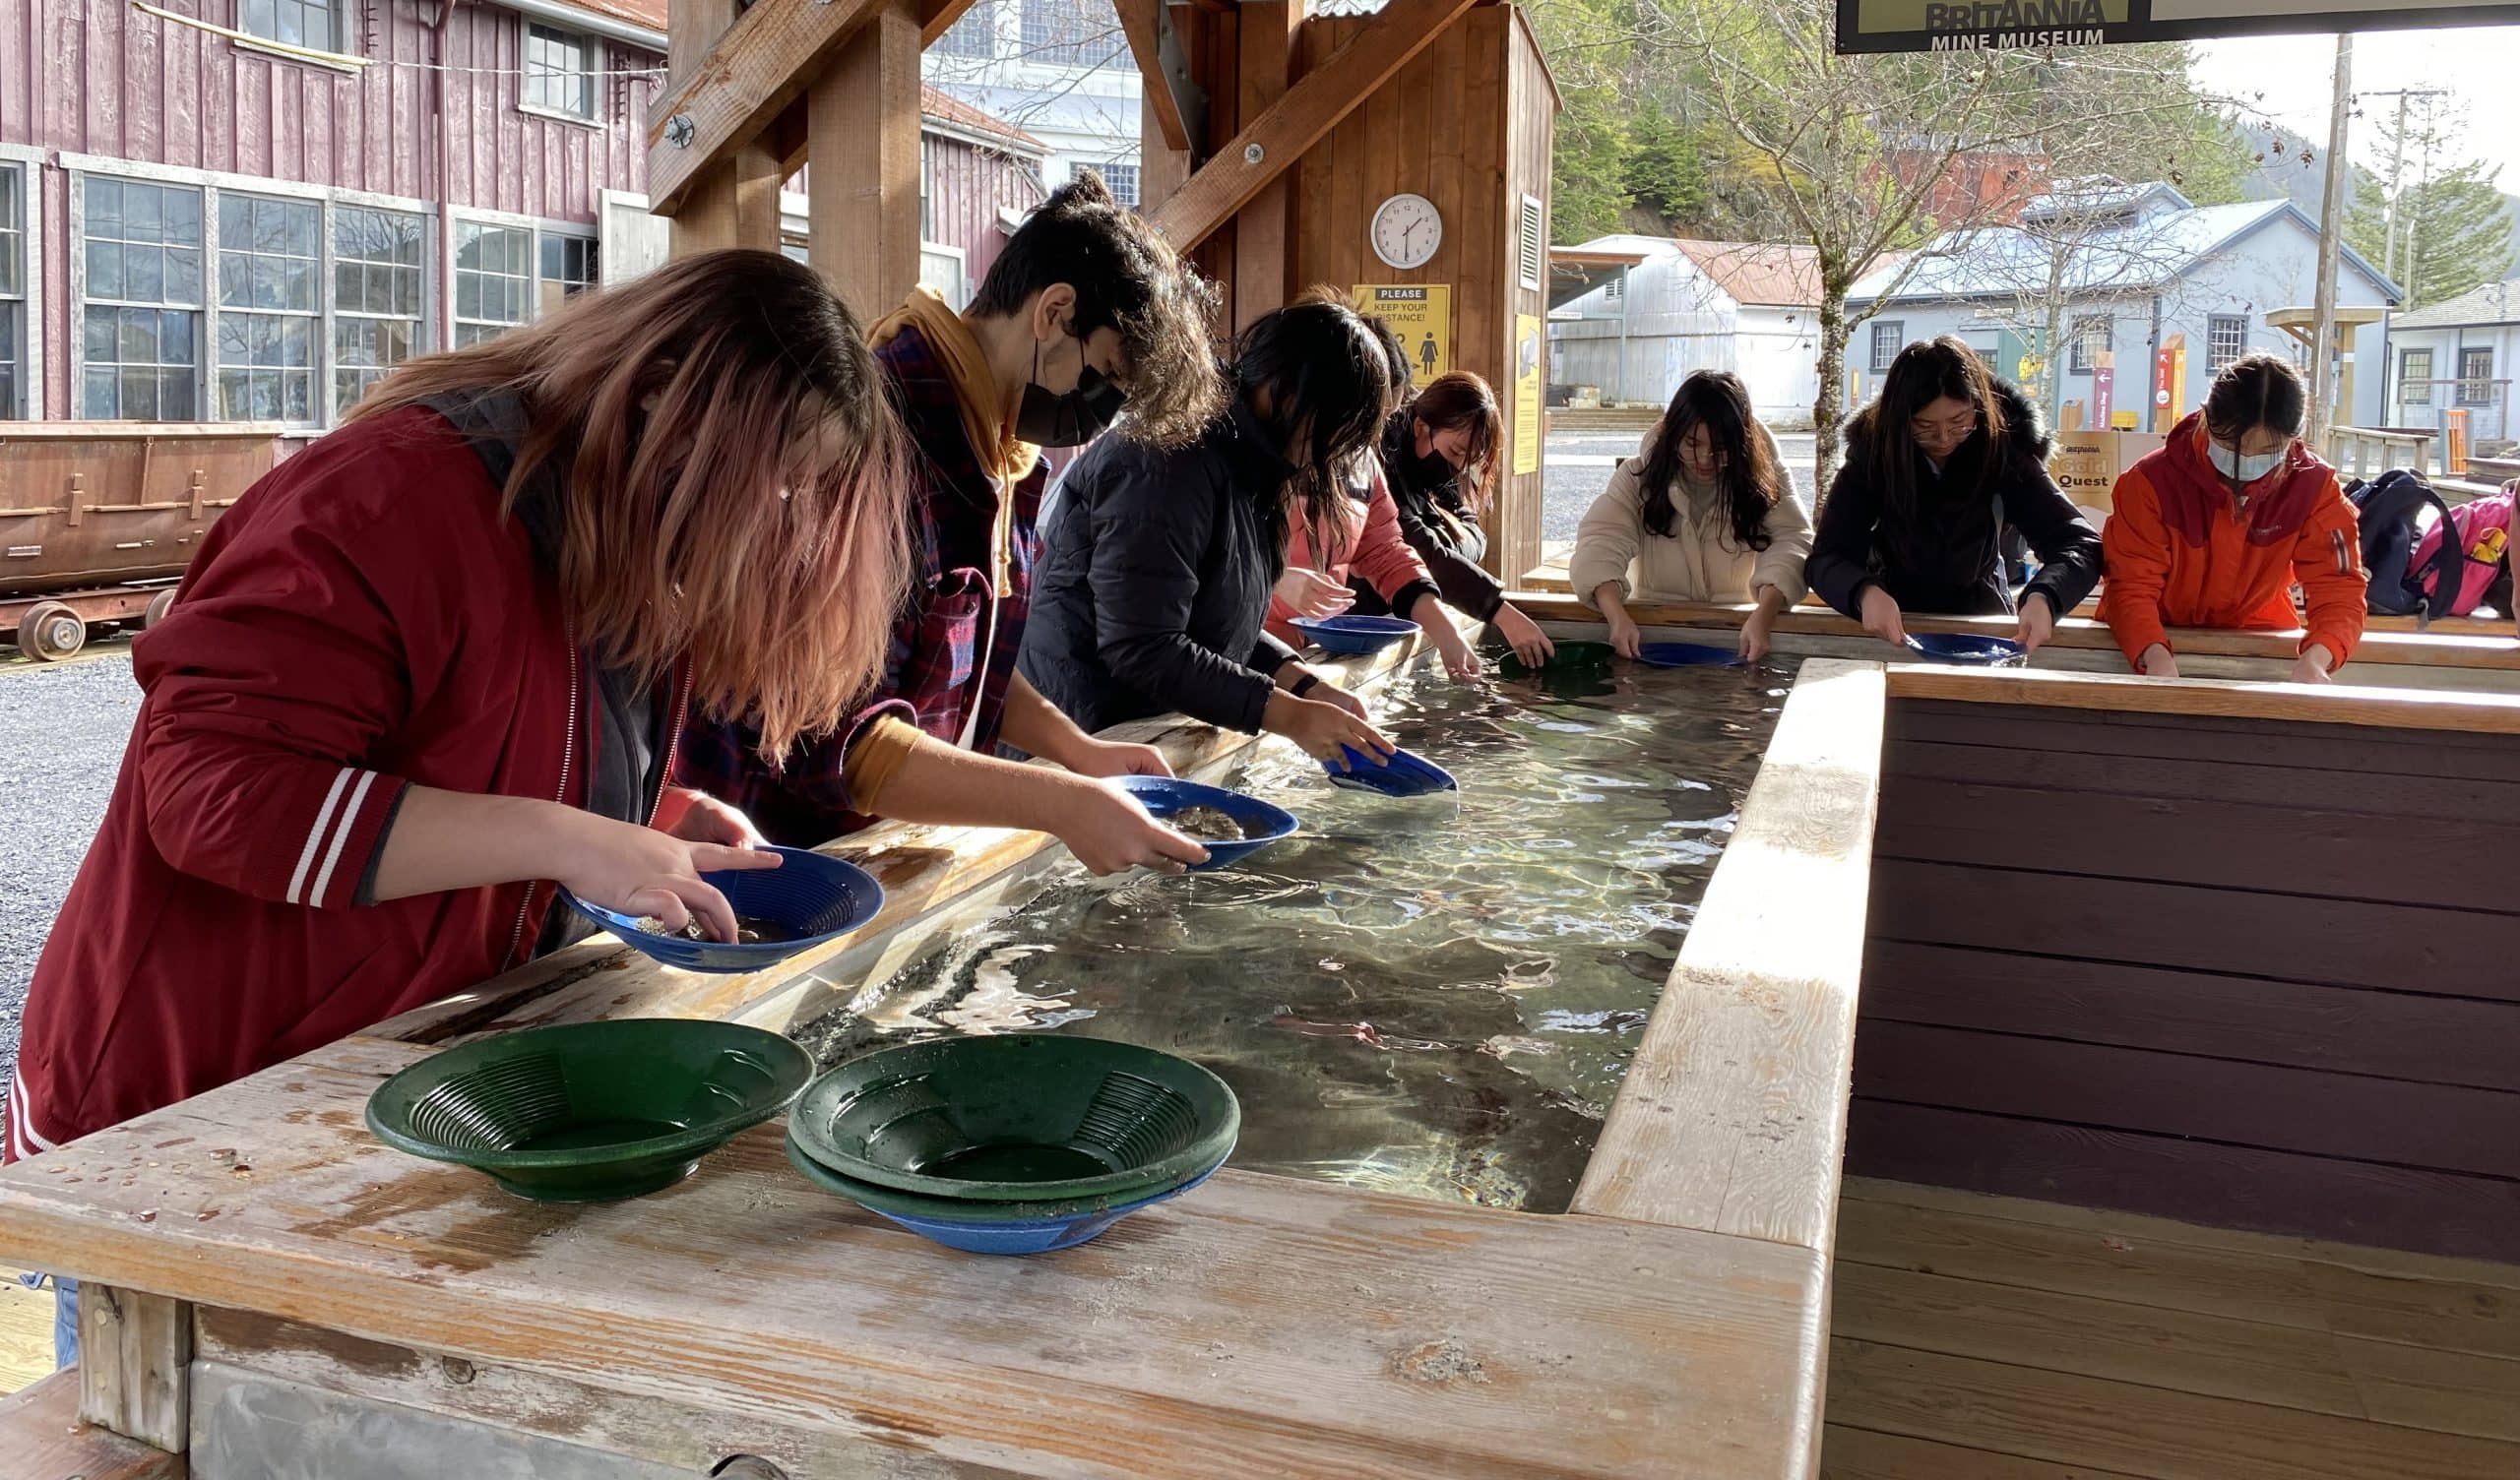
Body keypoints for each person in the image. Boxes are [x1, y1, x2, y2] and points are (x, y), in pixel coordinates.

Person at [6, 250, 911, 1360]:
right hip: (194, 1109)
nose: (780, 522)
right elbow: (212, 796)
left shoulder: (599, 523)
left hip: (371, 1092)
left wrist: (646, 828)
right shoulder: (391, 494)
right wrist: (567, 836)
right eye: (776, 483)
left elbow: (479, 752)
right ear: (662, 391)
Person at [677, 174, 1228, 874]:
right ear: (1055, 312)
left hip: (880, 845)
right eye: (1107, 377)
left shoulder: (1003, 451)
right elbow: (843, 742)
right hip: (775, 857)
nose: (1100, 413)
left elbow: (968, 660)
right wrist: (1062, 801)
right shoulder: (880, 432)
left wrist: (1076, 752)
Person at [1019, 294, 1405, 768]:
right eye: (1335, 429)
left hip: (1138, 732)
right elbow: (1143, 644)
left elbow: (1219, 625)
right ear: (1285, 390)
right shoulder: (1167, 457)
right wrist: (1294, 718)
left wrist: (1307, 687)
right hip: (1078, 732)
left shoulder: (1249, 464)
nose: (1334, 454)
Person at [1805, 335, 2103, 651]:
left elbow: (2079, 543)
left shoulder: (2003, 447)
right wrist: (1864, 592)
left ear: (1978, 407)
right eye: (1925, 426)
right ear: (1899, 421)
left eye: (1959, 421)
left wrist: (2047, 595)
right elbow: (1826, 557)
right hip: (1892, 620)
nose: (1944, 438)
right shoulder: (1873, 455)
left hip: (1983, 622)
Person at [2100, 353, 2365, 683]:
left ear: (2292, 439)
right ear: (2206, 419)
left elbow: (2339, 588)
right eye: (2230, 445)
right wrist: (2151, 652)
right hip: (2149, 635)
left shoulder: (2315, 488)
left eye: (2266, 451)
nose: (2246, 462)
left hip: (2259, 635)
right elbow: (2131, 584)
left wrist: (2319, 656)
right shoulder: (2149, 483)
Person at [1569, 370, 1814, 661]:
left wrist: (1764, 613)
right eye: (1692, 444)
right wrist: (1616, 615)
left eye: (1721, 449)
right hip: (1652, 637)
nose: (1705, 460)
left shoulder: (1766, 478)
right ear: (1674, 435)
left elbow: (1792, 542)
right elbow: (1601, 541)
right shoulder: (1637, 478)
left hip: (1738, 636)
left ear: (1742, 443)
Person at [1352, 371, 1556, 667]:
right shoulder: (1381, 462)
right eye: (1456, 451)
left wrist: (1440, 541)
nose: (1457, 467)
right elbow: (1418, 552)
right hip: (1361, 620)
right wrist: (1498, 609)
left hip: (1405, 610)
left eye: (1467, 461)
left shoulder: (1433, 464)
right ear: (1421, 427)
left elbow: (1474, 535)